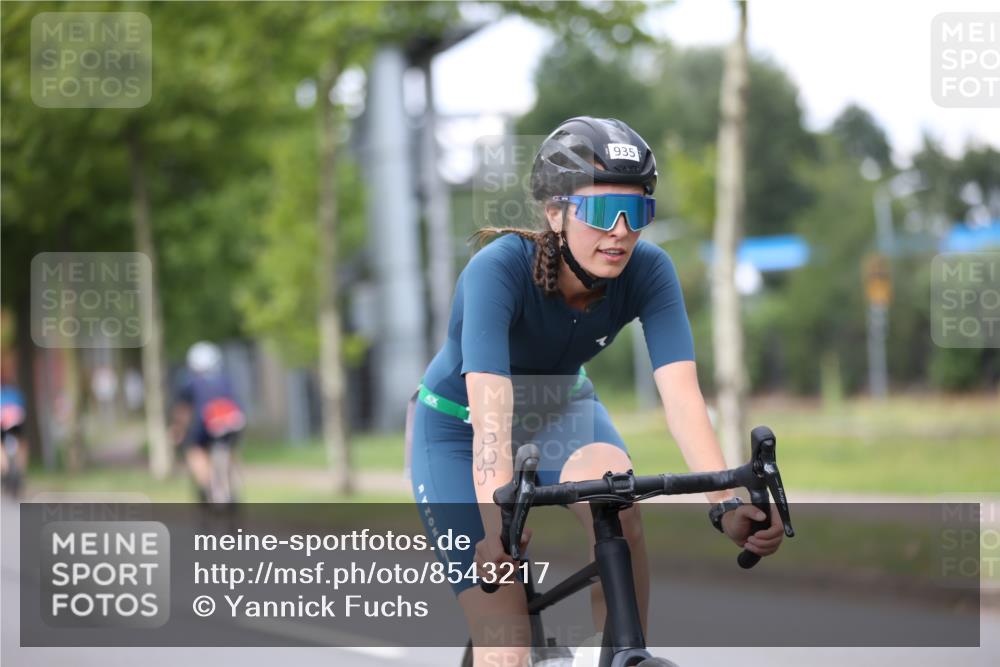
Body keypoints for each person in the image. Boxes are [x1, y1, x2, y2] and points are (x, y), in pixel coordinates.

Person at [408, 117, 785, 666]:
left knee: (620, 505)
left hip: (561, 409)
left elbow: (682, 399)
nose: (623, 231)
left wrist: (726, 504)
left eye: (639, 212)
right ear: (555, 212)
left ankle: (618, 655)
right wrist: (498, 532)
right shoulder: (497, 271)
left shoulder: (650, 271)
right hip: (459, 431)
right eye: (606, 212)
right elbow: (491, 417)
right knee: (507, 650)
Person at [170, 341, 245, 503]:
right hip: (233, 422)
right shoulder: (226, 380)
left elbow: (183, 411)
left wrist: (178, 431)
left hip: (204, 424)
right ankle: (233, 482)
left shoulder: (190, 383)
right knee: (231, 447)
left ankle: (206, 485)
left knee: (194, 450)